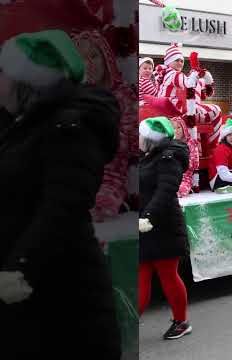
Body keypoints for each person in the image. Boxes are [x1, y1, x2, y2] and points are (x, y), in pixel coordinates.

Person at [0, 30, 121, 358]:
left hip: (59, 295)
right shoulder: (19, 125)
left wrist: (20, 265)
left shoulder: (69, 126)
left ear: (26, 80)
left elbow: (64, 204)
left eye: (3, 73)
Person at [73, 30, 138, 221]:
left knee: (95, 212)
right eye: (82, 59)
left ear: (106, 59)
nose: (89, 64)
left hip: (109, 175)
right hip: (72, 170)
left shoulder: (123, 95)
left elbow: (132, 143)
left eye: (94, 56)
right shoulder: (73, 96)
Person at [138, 117, 192, 340]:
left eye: (140, 135)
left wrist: (148, 216)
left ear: (150, 139)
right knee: (139, 277)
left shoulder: (168, 158)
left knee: (168, 275)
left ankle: (181, 322)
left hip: (163, 226)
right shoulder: (147, 156)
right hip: (143, 225)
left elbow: (166, 191)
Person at [171, 116, 200, 197]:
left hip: (184, 176)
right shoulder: (169, 143)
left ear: (183, 128)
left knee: (180, 189)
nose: (176, 131)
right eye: (173, 128)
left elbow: (194, 163)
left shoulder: (190, 143)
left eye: (178, 127)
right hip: (169, 175)